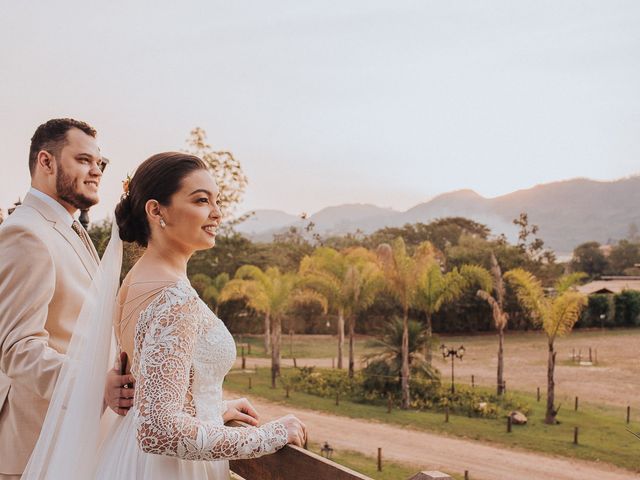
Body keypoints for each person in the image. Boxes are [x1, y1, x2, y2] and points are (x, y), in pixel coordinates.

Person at [0, 118, 134, 479]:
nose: (96, 171)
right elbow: (18, 348)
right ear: (46, 161)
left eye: (100, 163)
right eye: (84, 160)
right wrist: (94, 384)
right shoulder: (24, 233)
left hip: (73, 440)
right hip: (33, 447)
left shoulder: (71, 229)